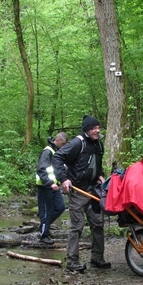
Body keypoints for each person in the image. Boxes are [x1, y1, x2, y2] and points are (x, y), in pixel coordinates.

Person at [52, 115, 110, 272]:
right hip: (77, 190)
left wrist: (99, 175)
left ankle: (97, 258)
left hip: (93, 191)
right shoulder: (77, 143)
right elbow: (57, 157)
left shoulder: (98, 144)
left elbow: (95, 163)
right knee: (77, 226)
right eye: (93, 128)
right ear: (86, 130)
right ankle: (72, 261)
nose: (97, 130)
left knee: (98, 224)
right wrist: (63, 179)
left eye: (98, 127)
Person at [35, 132, 68, 244]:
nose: (63, 146)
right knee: (46, 211)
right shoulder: (47, 152)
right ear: (57, 140)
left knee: (60, 207)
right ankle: (43, 235)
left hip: (54, 186)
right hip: (45, 186)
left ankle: (44, 226)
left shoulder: (56, 152)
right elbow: (41, 169)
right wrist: (49, 183)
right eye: (62, 144)